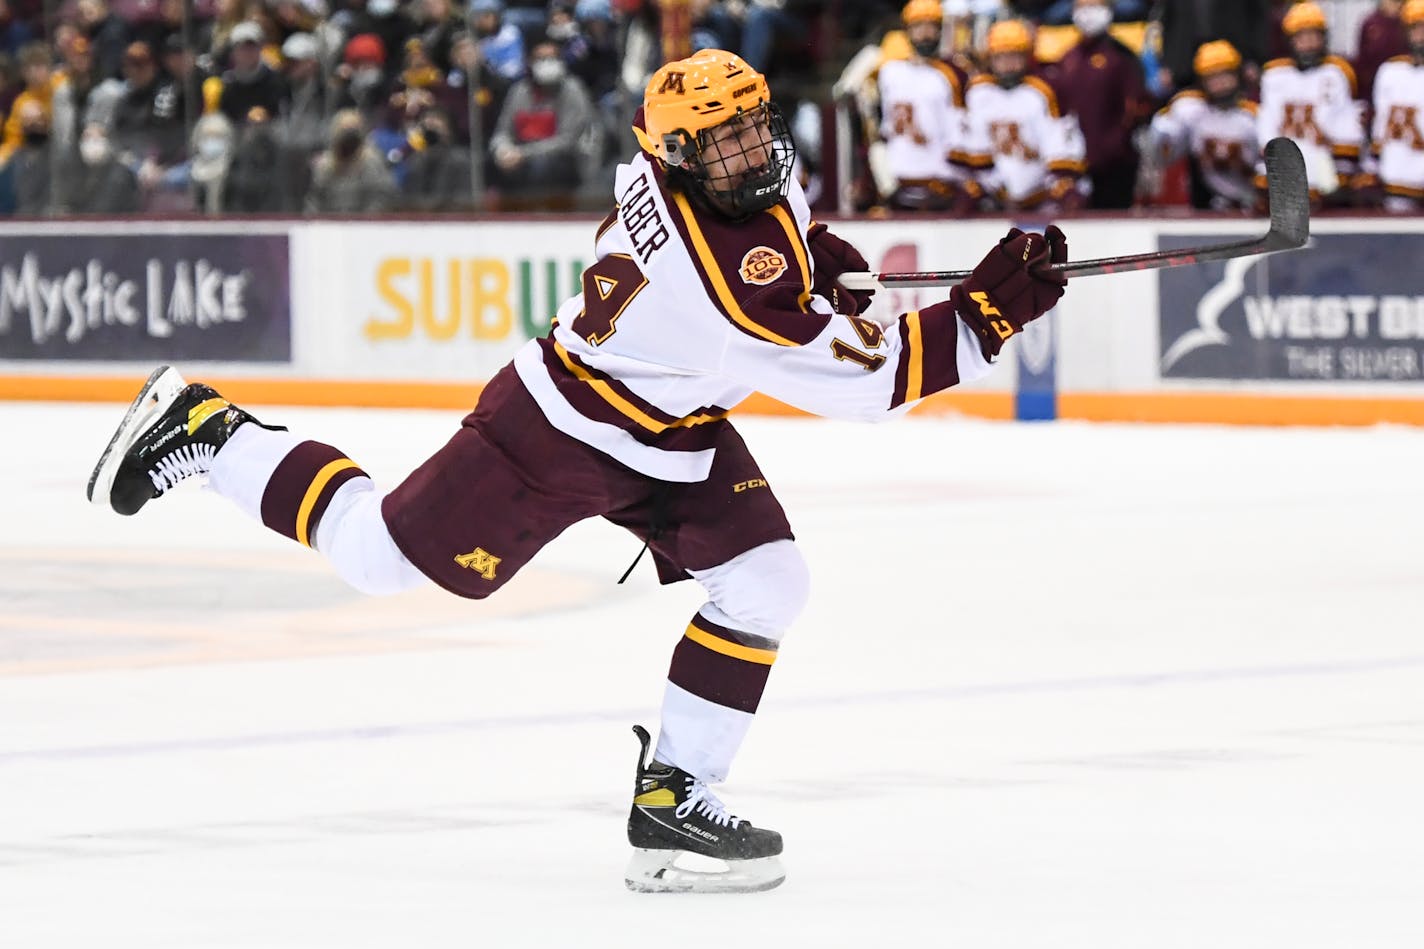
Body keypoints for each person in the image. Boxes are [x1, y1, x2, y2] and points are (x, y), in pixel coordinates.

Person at [86, 49, 1068, 895]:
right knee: (377, 557)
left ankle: (674, 795)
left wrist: (819, 257)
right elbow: (870, 381)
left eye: (754, 128)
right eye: (723, 142)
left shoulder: (689, 180)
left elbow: (782, 251)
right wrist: (987, 315)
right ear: (678, 155)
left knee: (767, 581)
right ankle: (212, 431)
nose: (751, 152)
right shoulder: (714, 289)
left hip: (670, 425)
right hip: (556, 429)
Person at [956, 19, 1088, 212]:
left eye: (1014, 56)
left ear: (1027, 56)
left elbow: (1059, 147)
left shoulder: (1043, 92)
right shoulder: (979, 93)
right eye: (1001, 57)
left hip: (1043, 197)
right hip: (997, 199)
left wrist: (1061, 185)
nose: (1008, 65)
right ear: (990, 59)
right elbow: (977, 155)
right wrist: (983, 187)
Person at [863, 0, 976, 212]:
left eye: (931, 26)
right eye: (918, 26)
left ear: (940, 30)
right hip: (897, 185)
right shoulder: (888, 72)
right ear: (906, 30)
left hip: (941, 186)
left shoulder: (954, 74)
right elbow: (879, 128)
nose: (925, 33)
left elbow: (961, 134)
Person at [1256, 1, 1364, 206]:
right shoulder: (1274, 75)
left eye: (1314, 36)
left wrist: (1342, 172)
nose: (1308, 44)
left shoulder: (1337, 72)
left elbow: (1345, 123)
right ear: (1290, 40)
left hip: (1324, 165)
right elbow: (1267, 125)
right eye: (1301, 37)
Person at [1053, 0, 1153, 209]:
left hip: (1115, 164)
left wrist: (1114, 145)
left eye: (1095, 6)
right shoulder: (1068, 57)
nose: (1088, 14)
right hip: (1075, 165)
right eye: (1082, 8)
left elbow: (1137, 106)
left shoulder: (1122, 56)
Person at [1150, 40, 1260, 211]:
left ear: (1238, 75)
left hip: (1252, 201)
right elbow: (1164, 156)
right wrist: (1165, 127)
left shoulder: (1253, 116)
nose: (1220, 83)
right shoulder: (1192, 109)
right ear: (1202, 81)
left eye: (1225, 75)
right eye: (1212, 77)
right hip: (1209, 201)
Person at [488, 36, 591, 209]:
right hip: (520, 156)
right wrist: (502, 149)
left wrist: (523, 154)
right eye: (541, 59)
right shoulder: (519, 91)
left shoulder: (572, 89)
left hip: (561, 159)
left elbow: (567, 140)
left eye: (552, 58)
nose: (547, 64)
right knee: (491, 162)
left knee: (541, 166)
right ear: (530, 61)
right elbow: (503, 131)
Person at [1366, 0, 1424, 210]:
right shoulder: (1390, 71)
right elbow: (1380, 124)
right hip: (1399, 179)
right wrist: (1372, 165)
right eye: (1416, 28)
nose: (1421, 36)